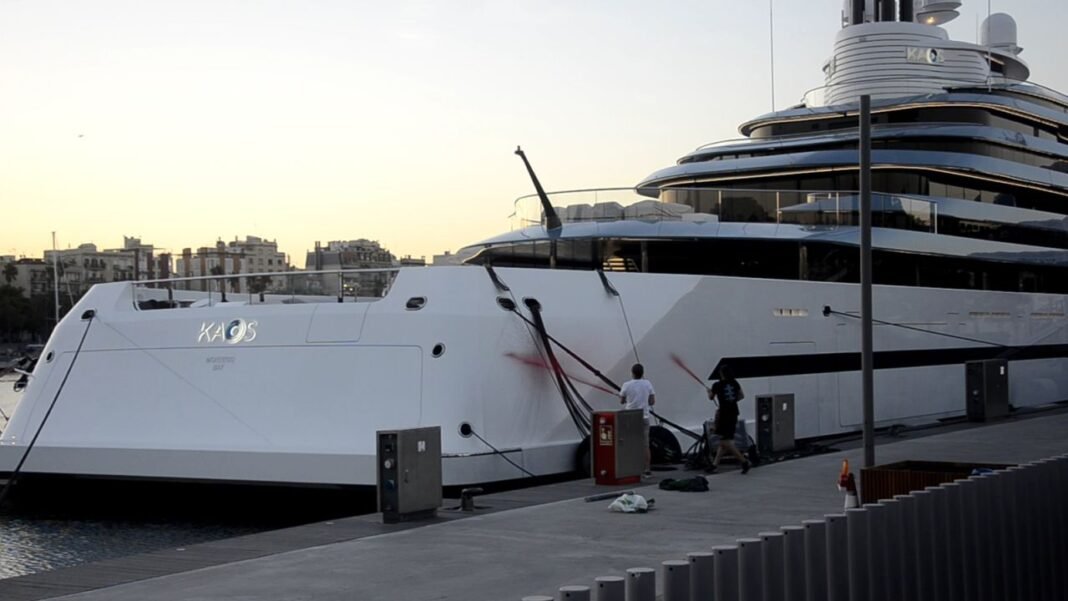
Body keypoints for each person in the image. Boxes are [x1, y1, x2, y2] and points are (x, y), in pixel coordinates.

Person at [707, 363, 750, 474]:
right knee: (723, 442)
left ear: (721, 374)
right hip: (734, 413)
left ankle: (744, 461)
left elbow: (711, 398)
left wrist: (709, 392)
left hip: (724, 415)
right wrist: (732, 402)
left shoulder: (717, 385)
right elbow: (741, 396)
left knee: (726, 441)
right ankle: (714, 465)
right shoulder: (734, 382)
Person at [619, 362, 656, 477]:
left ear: (632, 373)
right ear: (642, 373)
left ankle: (629, 468)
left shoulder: (626, 385)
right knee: (645, 445)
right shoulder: (648, 384)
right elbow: (652, 401)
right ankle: (647, 469)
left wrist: (625, 399)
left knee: (629, 443)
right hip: (644, 416)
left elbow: (622, 401)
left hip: (630, 417)